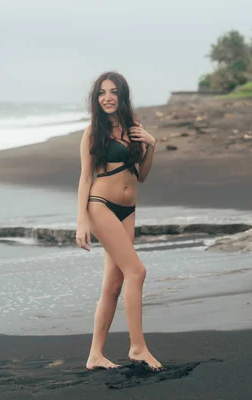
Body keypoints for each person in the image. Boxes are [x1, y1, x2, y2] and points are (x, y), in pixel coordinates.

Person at [75, 71, 163, 371]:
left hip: (129, 209)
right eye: (102, 92)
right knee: (136, 271)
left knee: (113, 285)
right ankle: (138, 348)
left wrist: (152, 145)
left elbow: (142, 175)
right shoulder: (92, 132)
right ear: (96, 99)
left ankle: (95, 355)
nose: (107, 97)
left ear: (122, 96)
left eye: (113, 92)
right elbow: (86, 177)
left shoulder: (135, 128)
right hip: (100, 205)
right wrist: (81, 222)